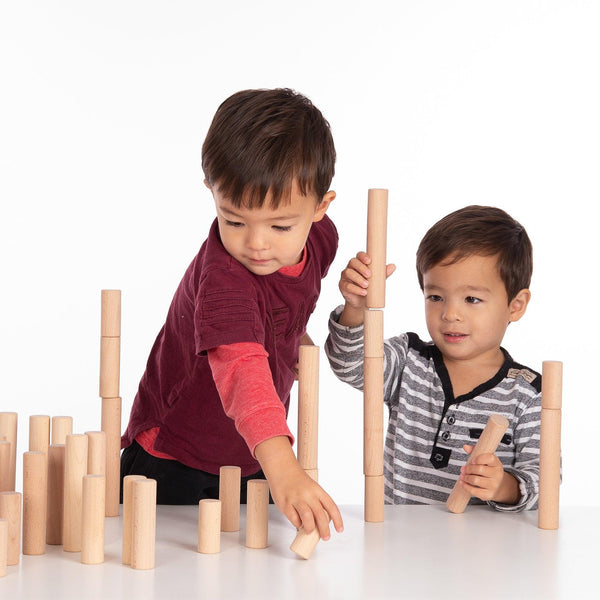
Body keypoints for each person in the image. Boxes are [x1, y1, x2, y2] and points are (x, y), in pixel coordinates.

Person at [121, 88, 343, 539]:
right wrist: (285, 468)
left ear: (320, 208)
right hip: (175, 459)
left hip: (251, 452)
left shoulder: (320, 240)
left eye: (280, 225)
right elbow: (241, 369)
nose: (256, 243)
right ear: (212, 192)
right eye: (235, 220)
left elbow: (285, 303)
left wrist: (293, 339)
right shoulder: (224, 280)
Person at [325, 205, 541, 511]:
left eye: (472, 299)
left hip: (484, 541)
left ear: (515, 306)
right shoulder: (409, 360)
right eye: (435, 297)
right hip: (399, 536)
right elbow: (350, 365)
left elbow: (542, 482)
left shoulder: (528, 394)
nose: (450, 314)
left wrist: (504, 486)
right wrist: (355, 308)